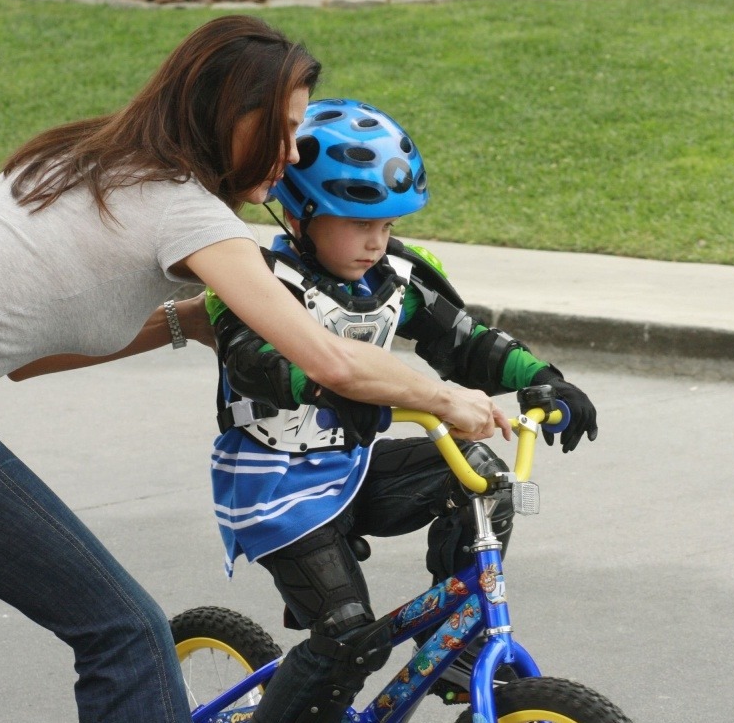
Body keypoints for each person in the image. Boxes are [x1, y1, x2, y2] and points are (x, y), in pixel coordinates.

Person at [0, 18, 502, 723]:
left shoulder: (84, 158)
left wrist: (189, 319)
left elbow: (32, 357)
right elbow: (327, 360)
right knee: (126, 633)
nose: (291, 154)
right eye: (283, 129)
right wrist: (445, 395)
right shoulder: (182, 208)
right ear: (231, 116)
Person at [206, 98, 599, 723]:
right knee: (346, 638)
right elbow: (256, 359)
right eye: (358, 222)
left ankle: (456, 649)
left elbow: (465, 341)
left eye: (387, 225)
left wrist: (545, 380)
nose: (376, 240)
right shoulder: (259, 278)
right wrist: (328, 388)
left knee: (483, 481)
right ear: (303, 212)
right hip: (274, 484)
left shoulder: (394, 278)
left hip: (353, 468)